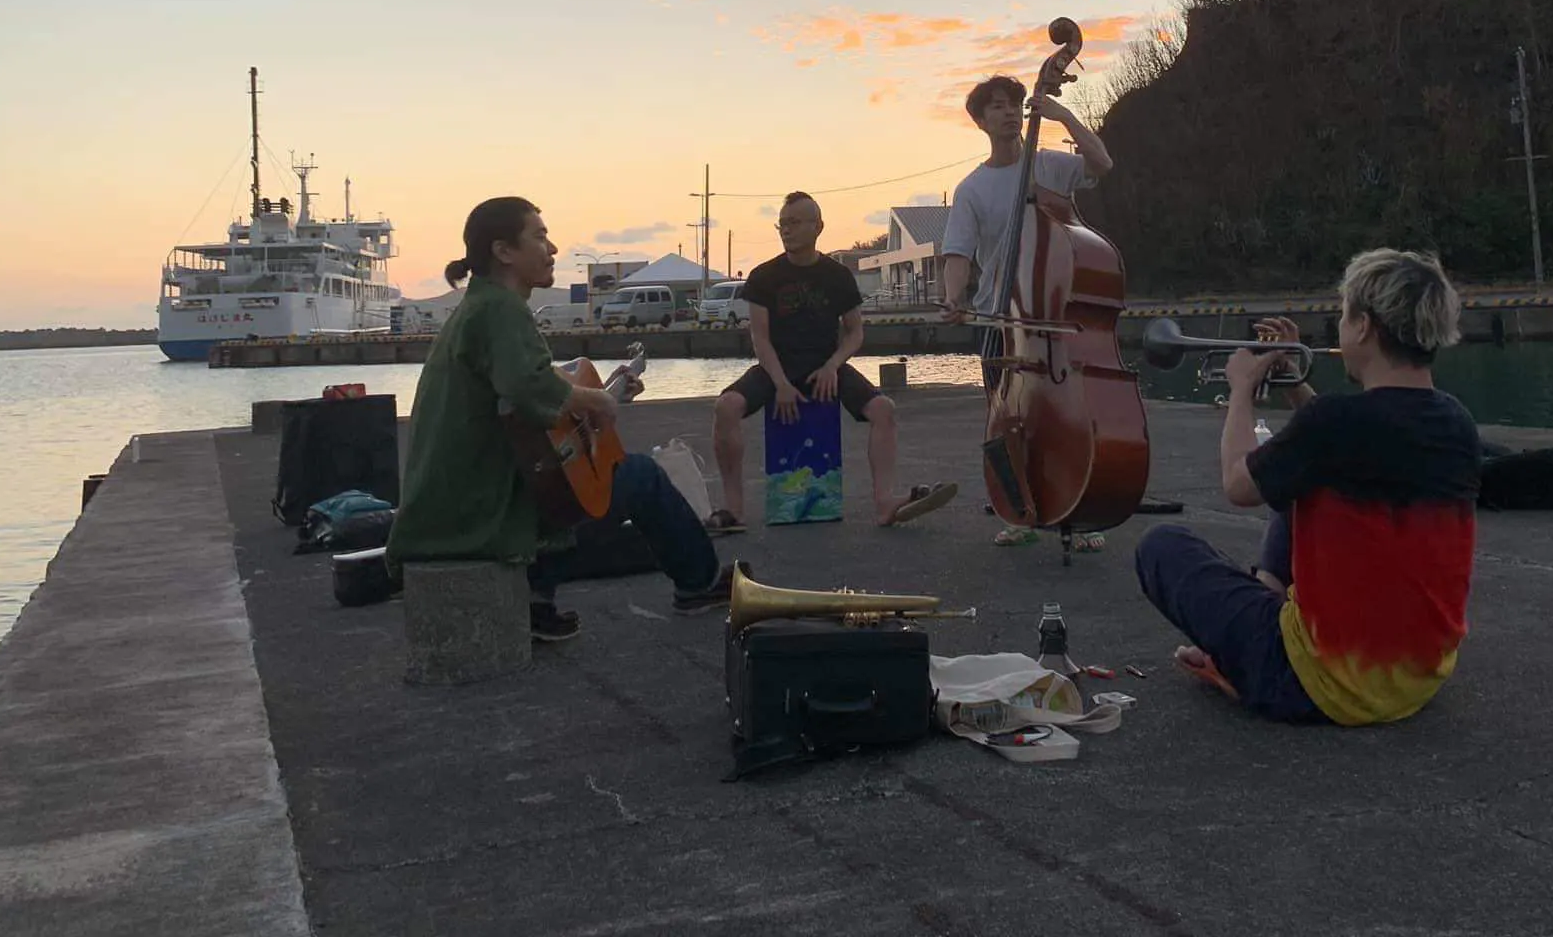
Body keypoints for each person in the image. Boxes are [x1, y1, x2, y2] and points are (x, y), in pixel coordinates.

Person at [1135, 248, 1481, 725]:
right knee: (1300, 481)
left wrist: (1241, 390)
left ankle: (1243, 659)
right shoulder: (1457, 422)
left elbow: (1238, 484)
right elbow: (1342, 443)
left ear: (1363, 326)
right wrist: (1295, 387)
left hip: (1312, 683)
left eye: (1344, 315)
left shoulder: (1333, 423)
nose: (1340, 326)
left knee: (1161, 546)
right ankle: (1262, 604)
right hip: (1418, 677)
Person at [386, 197, 733, 643]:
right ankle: (700, 585)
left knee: (562, 483)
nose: (552, 248)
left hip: (465, 502)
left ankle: (536, 598)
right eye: (539, 236)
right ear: (503, 251)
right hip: (481, 516)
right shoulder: (499, 309)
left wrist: (600, 396)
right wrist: (596, 400)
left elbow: (536, 387)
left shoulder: (480, 307)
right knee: (640, 476)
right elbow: (529, 388)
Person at [708, 191, 957, 531]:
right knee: (726, 407)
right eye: (782, 224)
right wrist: (780, 383)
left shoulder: (837, 276)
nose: (786, 230)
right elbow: (760, 339)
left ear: (818, 226)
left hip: (826, 364)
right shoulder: (764, 276)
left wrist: (833, 365)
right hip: (776, 366)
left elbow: (855, 333)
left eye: (795, 222)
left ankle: (885, 502)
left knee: (883, 410)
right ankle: (734, 510)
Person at [936, 73, 1115, 546]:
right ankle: (1018, 512)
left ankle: (1077, 514)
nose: (1009, 112)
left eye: (1014, 104)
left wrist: (1063, 115)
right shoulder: (972, 188)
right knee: (1007, 420)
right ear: (980, 121)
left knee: (1070, 415)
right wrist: (954, 297)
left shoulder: (1049, 166)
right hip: (998, 316)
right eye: (996, 106)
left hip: (1053, 313)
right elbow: (958, 253)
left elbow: (1102, 163)